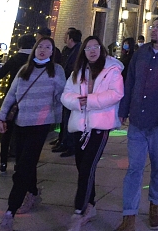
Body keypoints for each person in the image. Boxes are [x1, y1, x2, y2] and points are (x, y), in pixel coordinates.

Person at [116, 16, 158, 231]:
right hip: (137, 121)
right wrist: (123, 110)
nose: (153, 30)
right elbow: (130, 82)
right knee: (134, 168)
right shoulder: (141, 53)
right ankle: (129, 215)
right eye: (152, 26)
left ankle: (154, 205)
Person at [0, 36, 67, 231]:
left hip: (41, 124)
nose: (43, 50)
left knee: (23, 167)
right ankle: (33, 192)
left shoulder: (56, 70)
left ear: (52, 51)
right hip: (21, 122)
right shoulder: (24, 69)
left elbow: (63, 95)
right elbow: (12, 94)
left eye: (47, 47)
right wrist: (1, 117)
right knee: (24, 162)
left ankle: (10, 211)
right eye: (40, 46)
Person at [61, 36, 124, 230]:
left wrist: (90, 100)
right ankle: (91, 204)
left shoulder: (112, 70)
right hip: (80, 125)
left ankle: (79, 211)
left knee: (87, 167)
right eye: (88, 48)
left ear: (101, 49)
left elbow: (116, 94)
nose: (92, 51)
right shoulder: (78, 72)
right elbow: (65, 94)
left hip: (100, 125)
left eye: (96, 46)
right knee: (82, 167)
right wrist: (78, 101)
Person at [0, 34, 36, 173]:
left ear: (19, 45)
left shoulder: (15, 58)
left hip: (13, 98)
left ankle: (3, 162)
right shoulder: (35, 60)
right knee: (24, 132)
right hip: (30, 100)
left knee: (7, 130)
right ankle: (19, 162)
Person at [55, 28, 84, 157]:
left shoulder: (79, 52)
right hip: (65, 87)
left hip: (73, 90)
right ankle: (63, 141)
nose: (64, 38)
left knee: (69, 118)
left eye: (66, 35)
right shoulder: (66, 50)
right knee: (64, 117)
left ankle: (71, 145)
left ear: (70, 39)